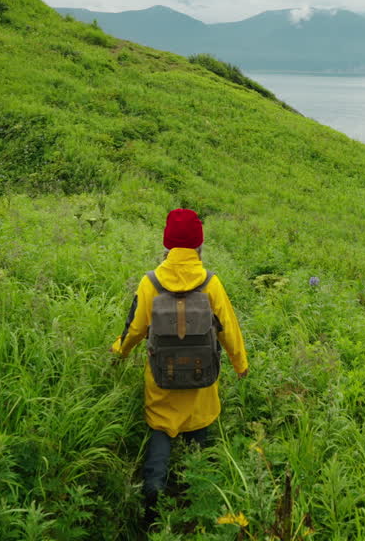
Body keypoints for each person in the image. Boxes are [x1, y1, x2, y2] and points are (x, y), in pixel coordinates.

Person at [111, 208, 249, 528]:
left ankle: (153, 496)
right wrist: (240, 365)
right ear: (199, 246)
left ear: (167, 245)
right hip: (201, 383)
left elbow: (134, 329)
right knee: (199, 435)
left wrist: (119, 352)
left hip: (162, 382)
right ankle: (193, 495)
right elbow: (229, 328)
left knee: (161, 434)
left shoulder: (150, 283)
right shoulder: (211, 284)